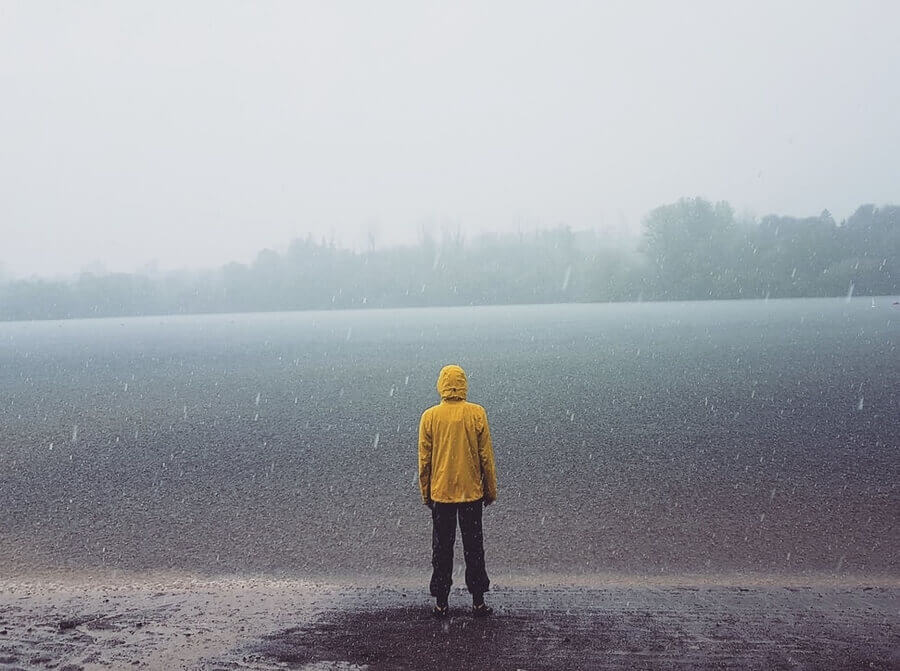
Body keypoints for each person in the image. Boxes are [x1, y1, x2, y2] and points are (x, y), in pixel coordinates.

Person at [418, 364, 498, 618]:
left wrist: (426, 493)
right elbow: (486, 457)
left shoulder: (430, 416)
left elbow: (425, 461)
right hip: (471, 494)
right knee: (474, 548)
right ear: (463, 384)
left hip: (441, 494)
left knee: (442, 549)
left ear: (441, 384)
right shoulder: (477, 413)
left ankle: (441, 603)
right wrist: (490, 490)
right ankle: (478, 602)